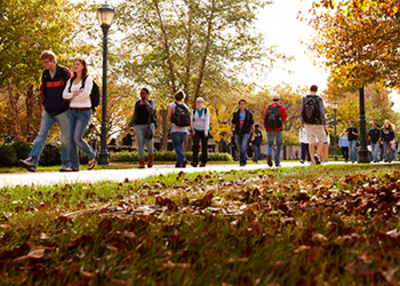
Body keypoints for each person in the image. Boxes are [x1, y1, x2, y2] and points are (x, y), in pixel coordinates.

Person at [18, 51, 72, 172]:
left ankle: (67, 164)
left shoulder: (64, 72)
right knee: (41, 135)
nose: (45, 65)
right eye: (43, 63)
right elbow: (43, 90)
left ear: (53, 59)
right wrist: (45, 103)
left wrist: (65, 104)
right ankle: (32, 161)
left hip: (63, 111)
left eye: (46, 62)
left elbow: (72, 88)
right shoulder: (45, 74)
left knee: (66, 138)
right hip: (48, 111)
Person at [62, 56, 97, 171]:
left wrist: (72, 95)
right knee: (71, 139)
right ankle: (74, 166)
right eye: (74, 64)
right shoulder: (70, 80)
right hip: (71, 111)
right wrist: (75, 93)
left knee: (77, 138)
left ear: (83, 66)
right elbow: (64, 95)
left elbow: (86, 94)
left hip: (84, 112)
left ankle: (91, 154)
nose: (75, 66)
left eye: (78, 64)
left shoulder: (87, 79)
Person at [125, 88, 157, 168]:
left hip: (149, 125)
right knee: (140, 143)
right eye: (141, 93)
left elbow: (151, 111)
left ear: (147, 94)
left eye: (143, 93)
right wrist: (129, 125)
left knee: (149, 143)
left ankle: (150, 159)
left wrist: (146, 102)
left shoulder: (151, 102)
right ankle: (141, 162)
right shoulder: (137, 104)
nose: (142, 95)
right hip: (139, 125)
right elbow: (134, 115)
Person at [300, 85, 327, 165]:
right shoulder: (318, 99)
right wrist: (324, 123)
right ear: (317, 90)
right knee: (322, 138)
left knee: (310, 142)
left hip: (308, 123)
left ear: (310, 89)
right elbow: (321, 112)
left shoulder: (305, 99)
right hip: (317, 123)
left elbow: (302, 111)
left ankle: (312, 160)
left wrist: (303, 122)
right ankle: (317, 154)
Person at [168, 90, 192, 168]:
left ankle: (183, 158)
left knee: (177, 146)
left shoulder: (172, 105)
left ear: (175, 97)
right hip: (184, 130)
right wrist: (191, 129)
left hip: (175, 129)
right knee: (179, 146)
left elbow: (169, 116)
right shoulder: (186, 107)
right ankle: (178, 164)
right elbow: (189, 119)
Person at [263, 95, 287, 167]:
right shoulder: (281, 108)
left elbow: (265, 118)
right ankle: (277, 161)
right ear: (279, 99)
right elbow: (284, 118)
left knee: (270, 144)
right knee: (279, 144)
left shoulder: (268, 107)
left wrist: (266, 127)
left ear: (272, 99)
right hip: (278, 129)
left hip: (269, 129)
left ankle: (269, 154)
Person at [230, 99, 255, 166]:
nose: (242, 105)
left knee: (243, 146)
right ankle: (245, 157)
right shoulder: (236, 114)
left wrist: (253, 134)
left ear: (245, 105)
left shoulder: (249, 114)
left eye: (244, 104)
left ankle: (242, 162)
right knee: (239, 147)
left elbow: (252, 124)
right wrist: (231, 131)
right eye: (241, 104)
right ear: (239, 105)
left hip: (246, 132)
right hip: (238, 132)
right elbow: (232, 123)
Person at [190, 97, 210, 167]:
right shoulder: (194, 111)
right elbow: (191, 121)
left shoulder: (206, 110)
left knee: (204, 146)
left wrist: (206, 131)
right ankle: (195, 161)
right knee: (195, 145)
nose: (199, 103)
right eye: (198, 102)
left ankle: (203, 162)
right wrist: (191, 130)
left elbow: (207, 121)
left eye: (200, 102)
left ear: (203, 103)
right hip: (196, 130)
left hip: (204, 130)